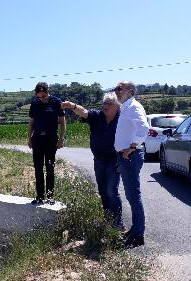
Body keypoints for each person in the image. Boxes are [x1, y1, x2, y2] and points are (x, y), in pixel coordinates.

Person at [62, 93, 125, 230]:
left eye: (109, 103)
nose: (105, 106)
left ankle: (118, 222)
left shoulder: (122, 120)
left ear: (117, 107)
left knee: (111, 191)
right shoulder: (97, 117)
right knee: (103, 191)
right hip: (99, 160)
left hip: (114, 160)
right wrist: (72, 106)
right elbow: (84, 112)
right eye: (104, 103)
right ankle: (108, 219)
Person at [114, 80, 150, 248]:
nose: (117, 92)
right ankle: (135, 229)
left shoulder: (134, 106)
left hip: (130, 156)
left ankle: (138, 234)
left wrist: (132, 147)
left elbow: (143, 128)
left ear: (130, 90)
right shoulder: (126, 107)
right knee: (131, 194)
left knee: (133, 195)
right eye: (116, 89)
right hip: (126, 156)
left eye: (119, 89)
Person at [28, 82, 66, 205]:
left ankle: (50, 197)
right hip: (37, 139)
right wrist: (29, 138)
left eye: (43, 96)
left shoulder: (56, 102)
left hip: (51, 139)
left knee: (50, 168)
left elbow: (62, 121)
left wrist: (61, 138)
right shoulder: (34, 103)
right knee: (38, 168)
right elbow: (31, 122)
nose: (41, 98)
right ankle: (39, 196)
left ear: (47, 92)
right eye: (39, 96)